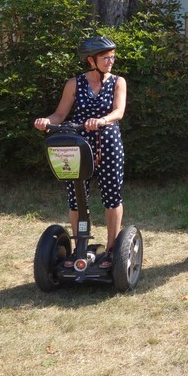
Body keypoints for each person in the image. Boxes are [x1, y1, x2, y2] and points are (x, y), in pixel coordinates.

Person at [34, 36, 127, 268]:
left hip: (108, 142)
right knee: (76, 198)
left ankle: (113, 250)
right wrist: (46, 121)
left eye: (113, 56)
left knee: (111, 195)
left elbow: (119, 112)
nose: (111, 61)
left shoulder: (118, 82)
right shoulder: (74, 84)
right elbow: (59, 115)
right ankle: (80, 248)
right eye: (106, 57)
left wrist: (101, 120)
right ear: (91, 60)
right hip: (78, 144)